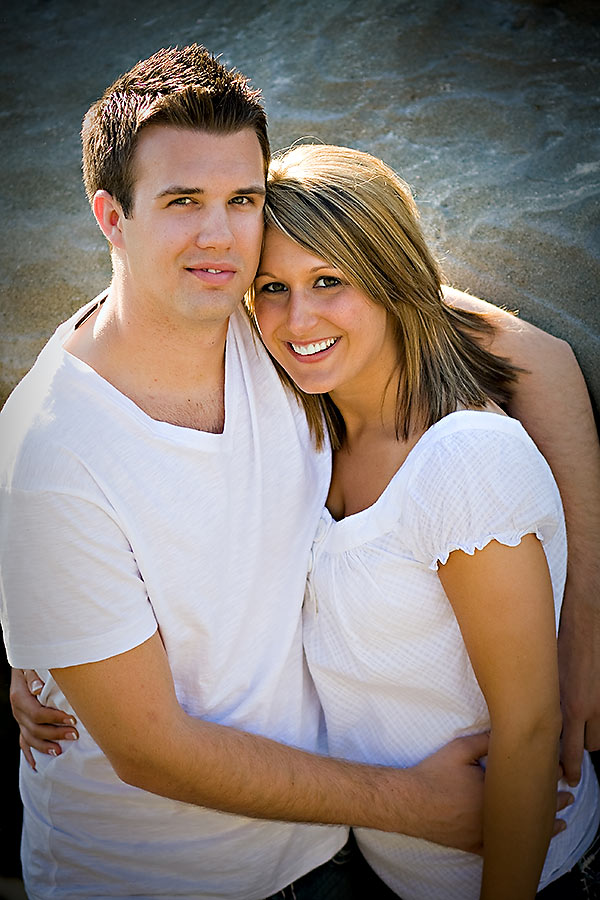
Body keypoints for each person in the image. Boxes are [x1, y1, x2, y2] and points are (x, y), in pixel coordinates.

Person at [2, 44, 597, 900]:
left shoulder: (263, 309)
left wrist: (581, 639)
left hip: (336, 853)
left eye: (240, 199)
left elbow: (536, 358)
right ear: (111, 216)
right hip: (162, 879)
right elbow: (147, 746)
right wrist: (44, 649)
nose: (217, 234)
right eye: (180, 202)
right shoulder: (54, 450)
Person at [246, 142, 600, 899]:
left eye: (328, 281)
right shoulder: (308, 433)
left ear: (394, 281)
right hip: (370, 862)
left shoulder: (465, 461)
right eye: (271, 286)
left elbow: (530, 732)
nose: (296, 317)